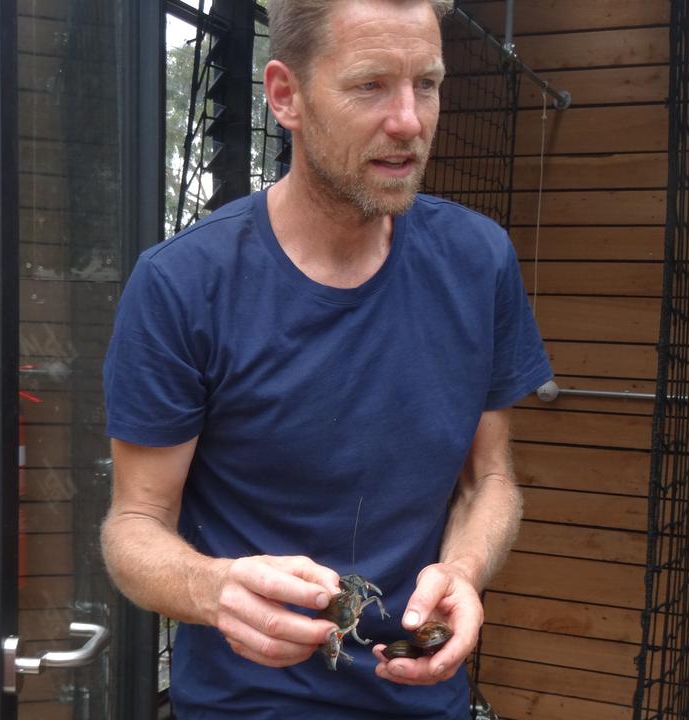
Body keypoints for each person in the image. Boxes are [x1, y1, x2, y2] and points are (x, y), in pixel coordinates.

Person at [100, 0, 551, 716]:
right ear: (286, 96)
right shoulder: (184, 284)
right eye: (370, 85)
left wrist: (463, 571)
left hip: (421, 690)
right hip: (247, 699)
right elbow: (133, 525)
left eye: (426, 84)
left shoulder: (478, 260)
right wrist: (211, 589)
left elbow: (489, 479)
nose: (409, 120)